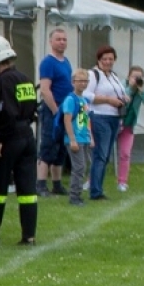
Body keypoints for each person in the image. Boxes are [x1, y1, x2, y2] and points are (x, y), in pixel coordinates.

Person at [0, 37, 39, 246]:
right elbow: (32, 109)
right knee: (27, 190)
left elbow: (5, 113)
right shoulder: (25, 78)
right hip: (27, 136)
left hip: (9, 139)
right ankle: (29, 236)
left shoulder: (2, 81)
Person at [84, 46, 127, 201]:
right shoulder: (93, 74)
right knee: (101, 155)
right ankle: (95, 191)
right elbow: (86, 95)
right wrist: (108, 100)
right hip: (100, 116)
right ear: (99, 60)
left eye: (111, 59)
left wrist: (124, 98)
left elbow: (120, 92)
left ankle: (97, 188)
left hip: (114, 117)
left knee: (106, 155)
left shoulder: (113, 75)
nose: (108, 62)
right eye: (105, 59)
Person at [36, 28, 73, 196]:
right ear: (51, 42)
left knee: (61, 148)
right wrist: (56, 111)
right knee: (48, 146)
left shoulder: (66, 62)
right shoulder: (48, 63)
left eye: (64, 39)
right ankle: (41, 185)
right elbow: (45, 90)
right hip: (53, 110)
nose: (62, 42)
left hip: (66, 110)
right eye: (58, 39)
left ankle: (57, 184)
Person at [114, 65, 144, 194]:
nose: (136, 80)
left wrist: (142, 91)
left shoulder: (143, 88)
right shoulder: (121, 85)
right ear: (128, 77)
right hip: (115, 121)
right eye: (134, 77)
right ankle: (92, 180)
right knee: (103, 152)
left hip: (128, 124)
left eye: (139, 77)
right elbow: (122, 99)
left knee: (125, 153)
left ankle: (122, 182)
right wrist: (130, 88)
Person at [61, 69, 93, 204]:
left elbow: (85, 120)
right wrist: (72, 139)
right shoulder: (70, 99)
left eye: (85, 81)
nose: (83, 84)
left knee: (83, 166)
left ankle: (77, 194)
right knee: (78, 167)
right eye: (80, 81)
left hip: (83, 138)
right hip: (75, 139)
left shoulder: (84, 100)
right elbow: (67, 120)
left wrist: (90, 136)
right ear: (73, 82)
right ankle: (74, 196)